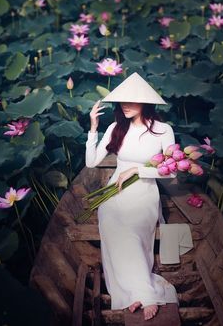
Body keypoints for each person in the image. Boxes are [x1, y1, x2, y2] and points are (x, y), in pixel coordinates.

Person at [85, 72, 179, 321]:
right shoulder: (116, 127)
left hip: (145, 193)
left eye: (131, 101)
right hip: (115, 192)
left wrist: (138, 169)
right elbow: (91, 162)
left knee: (129, 230)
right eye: (122, 102)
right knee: (112, 222)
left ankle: (144, 293)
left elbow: (170, 171)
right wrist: (93, 129)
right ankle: (131, 292)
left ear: (145, 102)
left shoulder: (163, 130)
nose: (124, 106)